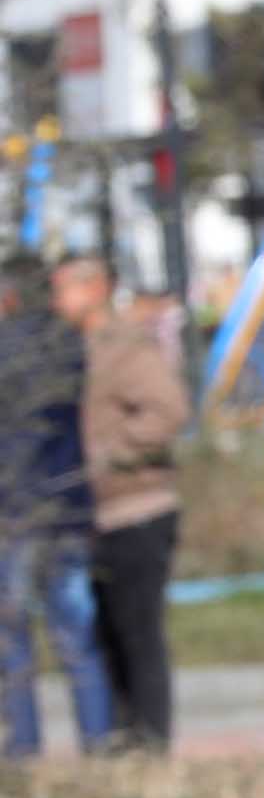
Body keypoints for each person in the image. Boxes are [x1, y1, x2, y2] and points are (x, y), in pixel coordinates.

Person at [58, 257, 189, 752]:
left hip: (140, 509)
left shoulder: (125, 348)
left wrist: (111, 455)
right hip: (100, 516)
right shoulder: (77, 350)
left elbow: (169, 410)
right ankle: (125, 738)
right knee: (109, 636)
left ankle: (153, 744)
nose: (56, 300)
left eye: (64, 287)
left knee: (140, 636)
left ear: (95, 288)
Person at [0, 252, 114, 760]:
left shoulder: (6, 351)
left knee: (14, 639)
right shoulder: (71, 345)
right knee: (76, 637)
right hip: (68, 508)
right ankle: (98, 743)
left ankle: (24, 751)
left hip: (16, 514)